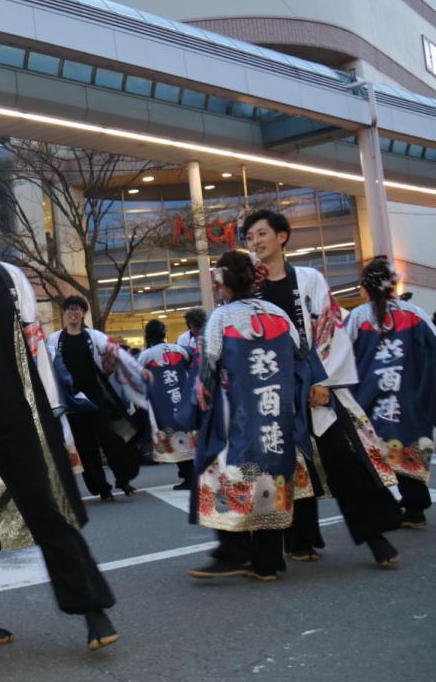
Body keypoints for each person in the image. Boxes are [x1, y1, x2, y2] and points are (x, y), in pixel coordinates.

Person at [0, 189, 117, 651]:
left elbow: (36, 350)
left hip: (16, 412)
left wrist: (54, 415)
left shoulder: (13, 277)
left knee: (48, 508)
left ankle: (92, 608)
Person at [243, 209, 402, 566]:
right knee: (286, 466)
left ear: (282, 236)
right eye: (250, 237)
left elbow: (330, 328)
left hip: (316, 385)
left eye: (261, 233)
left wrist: (323, 381)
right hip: (273, 391)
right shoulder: (250, 289)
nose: (256, 241)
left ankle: (376, 538)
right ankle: (300, 541)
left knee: (343, 459)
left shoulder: (309, 279)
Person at [185, 251, 310, 581]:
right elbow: (301, 362)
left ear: (224, 284)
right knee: (271, 476)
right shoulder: (279, 315)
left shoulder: (222, 319)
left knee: (219, 471)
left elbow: (208, 371)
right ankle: (268, 563)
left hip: (237, 416)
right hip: (278, 416)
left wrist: (201, 407)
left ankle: (234, 549)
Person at [347, 257, 436, 529]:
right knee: (409, 447)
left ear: (365, 287)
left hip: (370, 398)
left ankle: (383, 509)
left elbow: (342, 357)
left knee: (374, 452)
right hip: (410, 397)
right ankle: (415, 508)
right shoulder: (415, 313)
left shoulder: (357, 317)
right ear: (393, 284)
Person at [47, 296, 147, 500]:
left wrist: (138, 370)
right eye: (69, 309)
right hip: (72, 402)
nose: (73, 313)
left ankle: (124, 481)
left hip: (96, 398)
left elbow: (118, 353)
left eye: (78, 309)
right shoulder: (54, 340)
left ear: (83, 313)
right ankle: (102, 489)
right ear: (64, 313)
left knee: (111, 439)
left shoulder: (94, 336)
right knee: (85, 447)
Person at [138, 319, 196, 490]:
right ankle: (191, 475)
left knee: (174, 440)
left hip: (161, 407)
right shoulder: (179, 350)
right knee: (187, 438)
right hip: (183, 402)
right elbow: (192, 365)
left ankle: (188, 477)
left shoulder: (146, 356)